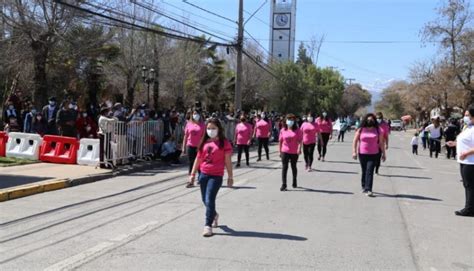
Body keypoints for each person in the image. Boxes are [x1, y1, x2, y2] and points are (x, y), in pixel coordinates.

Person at [187, 118, 233, 237]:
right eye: (208, 128)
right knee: (204, 199)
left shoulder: (224, 143)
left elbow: (228, 161)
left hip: (216, 175)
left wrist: (230, 176)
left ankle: (207, 225)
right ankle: (214, 214)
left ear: (219, 129)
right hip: (203, 174)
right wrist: (192, 174)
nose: (210, 130)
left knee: (210, 199)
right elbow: (198, 159)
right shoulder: (204, 142)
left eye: (213, 128)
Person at [446, 105, 474, 217]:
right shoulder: (468, 127)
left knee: (470, 186)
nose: (465, 117)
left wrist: (467, 153)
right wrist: (455, 144)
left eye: (468, 115)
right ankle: (470, 207)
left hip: (471, 162)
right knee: (467, 185)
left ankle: (469, 209)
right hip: (465, 161)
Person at [352, 113, 386, 197]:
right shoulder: (360, 129)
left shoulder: (378, 130)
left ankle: (369, 189)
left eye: (371, 119)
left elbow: (381, 143)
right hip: (362, 153)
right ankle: (364, 186)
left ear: (374, 121)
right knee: (364, 171)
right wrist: (354, 152)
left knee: (370, 171)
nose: (370, 121)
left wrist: (384, 154)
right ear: (365, 120)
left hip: (374, 154)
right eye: (368, 119)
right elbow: (355, 141)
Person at [279, 114, 302, 191]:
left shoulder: (298, 130)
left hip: (294, 151)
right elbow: (280, 141)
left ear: (294, 121)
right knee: (284, 167)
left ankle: (294, 180)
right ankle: (284, 184)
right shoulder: (283, 130)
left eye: (292, 120)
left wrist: (299, 148)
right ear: (286, 121)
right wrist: (280, 151)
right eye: (289, 119)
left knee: (293, 166)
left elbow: (299, 141)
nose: (290, 121)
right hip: (284, 151)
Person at [183, 110, 205, 180]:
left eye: (197, 113)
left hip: (199, 146)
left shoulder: (203, 125)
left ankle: (200, 177)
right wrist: (183, 147)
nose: (196, 115)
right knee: (191, 162)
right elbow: (186, 136)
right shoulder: (189, 124)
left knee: (199, 163)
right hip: (190, 145)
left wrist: (201, 145)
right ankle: (191, 178)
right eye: (194, 113)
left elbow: (204, 136)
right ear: (192, 115)